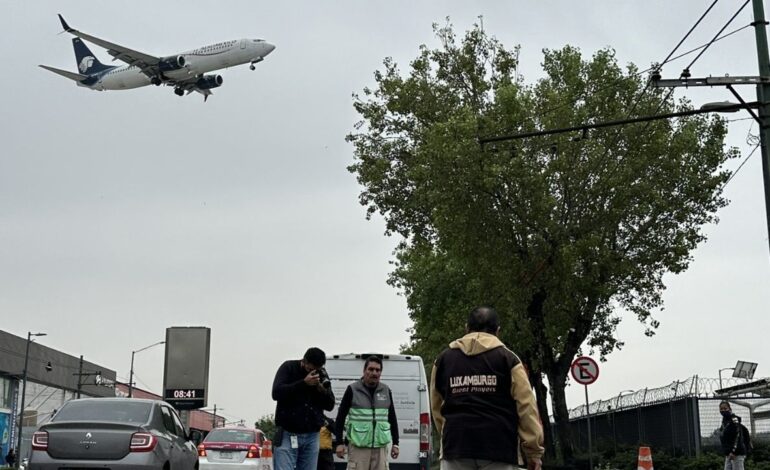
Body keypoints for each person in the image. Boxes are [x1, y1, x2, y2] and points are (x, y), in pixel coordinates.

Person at [431, 306, 545, 470]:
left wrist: (448, 432)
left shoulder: (443, 359)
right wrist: (533, 452)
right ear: (497, 331)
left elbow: (436, 406)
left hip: (456, 445)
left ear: (466, 328)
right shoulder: (509, 359)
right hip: (499, 448)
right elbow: (526, 407)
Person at [272, 347, 336, 470]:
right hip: (288, 433)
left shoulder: (322, 374)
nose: (313, 372)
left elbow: (330, 405)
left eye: (317, 369)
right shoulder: (288, 367)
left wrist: (322, 391)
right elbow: (276, 393)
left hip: (312, 435)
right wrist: (303, 383)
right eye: (310, 369)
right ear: (304, 361)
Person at [334, 356, 400, 470]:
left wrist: (396, 443)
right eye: (371, 369)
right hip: (358, 447)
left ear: (381, 373)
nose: (374, 373)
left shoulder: (386, 390)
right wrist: (339, 443)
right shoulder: (352, 389)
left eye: (378, 370)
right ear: (364, 371)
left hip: (380, 448)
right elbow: (340, 418)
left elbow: (392, 418)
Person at [719, 401, 748, 470]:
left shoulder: (734, 420)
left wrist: (733, 451)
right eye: (721, 409)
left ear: (730, 409)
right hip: (728, 453)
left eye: (725, 408)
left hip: (736, 453)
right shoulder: (724, 421)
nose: (723, 410)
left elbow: (738, 436)